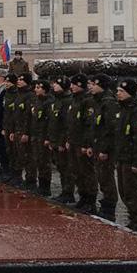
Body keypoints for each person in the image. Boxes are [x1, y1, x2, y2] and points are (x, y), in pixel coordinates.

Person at [115, 78, 137, 234]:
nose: (118, 93)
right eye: (118, 90)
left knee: (132, 191)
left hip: (132, 158)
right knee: (124, 191)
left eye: (121, 91)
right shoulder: (123, 108)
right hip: (122, 156)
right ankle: (133, 218)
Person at [88, 73, 119, 220]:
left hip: (105, 148)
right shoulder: (98, 101)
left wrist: (105, 149)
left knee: (106, 177)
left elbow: (110, 129)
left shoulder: (109, 103)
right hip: (97, 145)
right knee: (101, 176)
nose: (91, 87)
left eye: (95, 84)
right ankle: (105, 204)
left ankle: (109, 208)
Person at [60, 74, 92, 206]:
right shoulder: (74, 100)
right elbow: (70, 123)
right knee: (76, 171)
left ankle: (89, 200)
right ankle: (82, 197)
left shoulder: (87, 101)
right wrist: (69, 139)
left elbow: (87, 125)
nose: (71, 87)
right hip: (73, 141)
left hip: (81, 142)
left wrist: (86, 144)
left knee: (86, 173)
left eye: (74, 84)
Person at [46, 77, 71, 197]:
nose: (54, 86)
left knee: (66, 168)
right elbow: (52, 122)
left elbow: (66, 124)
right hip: (55, 138)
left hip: (62, 140)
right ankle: (64, 191)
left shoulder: (67, 101)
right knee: (61, 167)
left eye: (57, 84)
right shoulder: (56, 100)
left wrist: (62, 142)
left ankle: (68, 192)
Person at [10, 73, 36, 187]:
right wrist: (12, 130)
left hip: (24, 130)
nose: (19, 81)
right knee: (18, 155)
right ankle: (18, 177)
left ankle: (30, 180)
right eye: (19, 79)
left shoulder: (30, 95)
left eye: (22, 80)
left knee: (28, 157)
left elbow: (28, 116)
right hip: (17, 129)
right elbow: (14, 114)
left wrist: (26, 132)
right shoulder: (18, 94)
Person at [30, 79, 54, 196]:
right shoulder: (37, 101)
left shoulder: (49, 102)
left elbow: (49, 122)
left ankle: (45, 187)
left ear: (44, 90)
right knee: (38, 161)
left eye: (38, 88)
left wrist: (48, 138)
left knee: (45, 162)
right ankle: (41, 185)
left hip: (43, 136)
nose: (36, 89)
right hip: (36, 135)